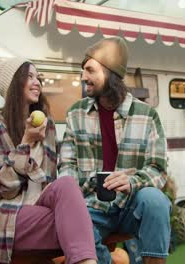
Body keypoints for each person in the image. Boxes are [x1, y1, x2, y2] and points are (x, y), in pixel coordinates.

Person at [0, 57, 97, 264]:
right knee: (80, 223)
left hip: (38, 205)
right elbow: (6, 188)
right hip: (5, 212)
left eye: (37, 77)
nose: (37, 82)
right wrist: (26, 143)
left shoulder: (45, 125)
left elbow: (49, 182)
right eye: (29, 76)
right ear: (13, 84)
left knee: (66, 184)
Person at [58, 37, 172, 264]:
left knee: (156, 201)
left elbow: (158, 170)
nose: (83, 77)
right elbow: (66, 167)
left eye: (89, 70)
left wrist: (132, 182)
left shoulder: (147, 115)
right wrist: (84, 188)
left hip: (132, 203)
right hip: (93, 206)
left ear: (109, 73)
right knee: (72, 222)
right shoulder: (75, 113)